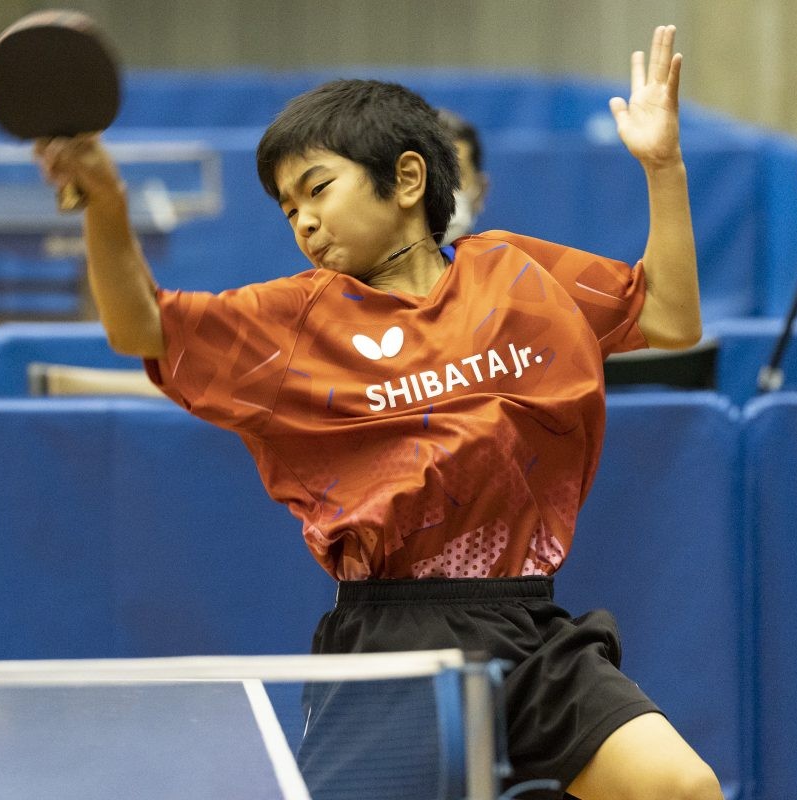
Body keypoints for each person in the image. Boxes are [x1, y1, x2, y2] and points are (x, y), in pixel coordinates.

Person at [36, 24, 717, 800]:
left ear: (406, 178)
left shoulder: (520, 275)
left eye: (318, 189)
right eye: (287, 208)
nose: (303, 222)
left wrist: (663, 166)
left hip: (528, 626)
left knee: (680, 786)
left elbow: (670, 316)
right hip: (393, 637)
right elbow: (141, 326)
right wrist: (106, 203)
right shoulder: (292, 323)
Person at [438, 108, 489, 240]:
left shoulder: (503, 259)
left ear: (482, 190)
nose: (443, 188)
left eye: (456, 176)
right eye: (433, 176)